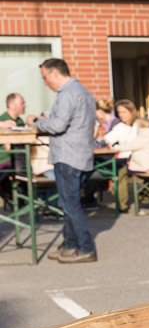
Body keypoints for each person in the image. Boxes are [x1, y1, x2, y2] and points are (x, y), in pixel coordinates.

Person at [31, 58, 98, 262]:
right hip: (81, 155)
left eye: (45, 78)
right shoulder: (84, 92)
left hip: (68, 156)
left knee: (70, 205)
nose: (45, 82)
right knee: (69, 202)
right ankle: (69, 244)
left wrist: (36, 121)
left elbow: (57, 125)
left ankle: (86, 248)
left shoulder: (68, 94)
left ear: (54, 74)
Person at [103, 99, 140, 209]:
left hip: (139, 158)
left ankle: (122, 204)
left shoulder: (140, 125)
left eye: (124, 112)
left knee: (121, 170)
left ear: (131, 111)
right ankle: (122, 204)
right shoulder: (119, 127)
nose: (121, 115)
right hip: (124, 159)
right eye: (119, 112)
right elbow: (106, 140)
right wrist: (92, 143)